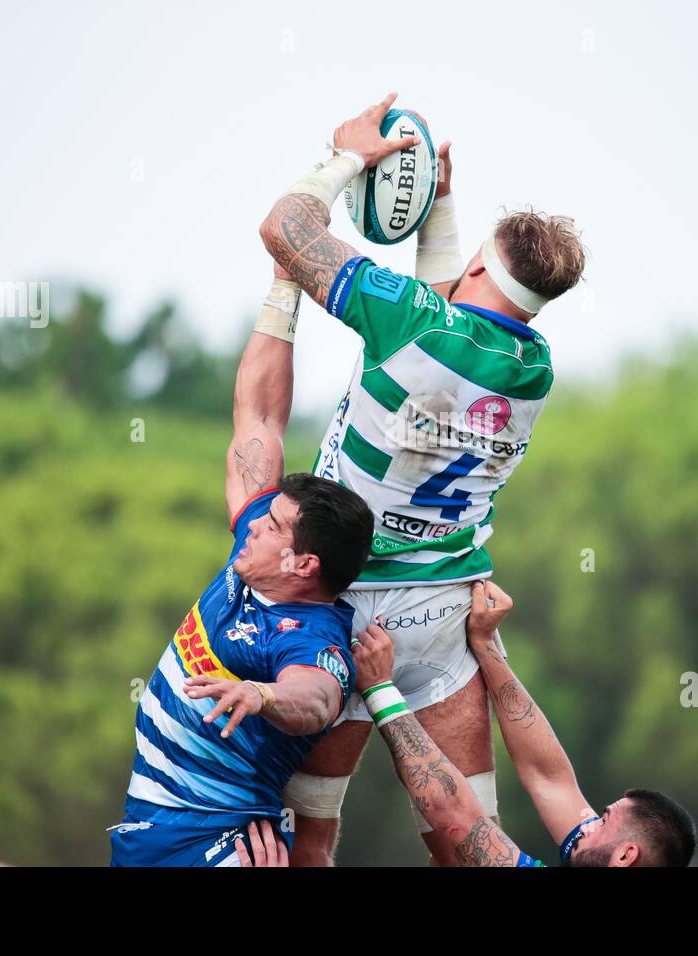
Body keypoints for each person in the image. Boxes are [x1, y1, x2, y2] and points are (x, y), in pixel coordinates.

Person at [258, 92, 588, 865]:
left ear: (477, 264)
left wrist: (345, 156)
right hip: (443, 615)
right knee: (465, 842)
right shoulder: (533, 371)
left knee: (311, 834)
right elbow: (449, 325)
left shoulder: (410, 320)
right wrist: (436, 212)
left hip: (339, 602)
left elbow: (284, 230)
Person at [107, 264, 375, 867]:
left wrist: (261, 695)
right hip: (149, 834)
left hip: (222, 849)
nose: (251, 523)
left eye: (272, 524)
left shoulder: (312, 635)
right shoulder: (257, 555)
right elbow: (257, 418)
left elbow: (318, 697)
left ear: (305, 564)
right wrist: (285, 282)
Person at [352, 580, 697, 867]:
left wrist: (380, 690)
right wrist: (485, 645)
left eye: (604, 821)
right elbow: (547, 776)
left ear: (625, 855)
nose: (588, 825)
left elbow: (453, 816)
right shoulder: (596, 852)